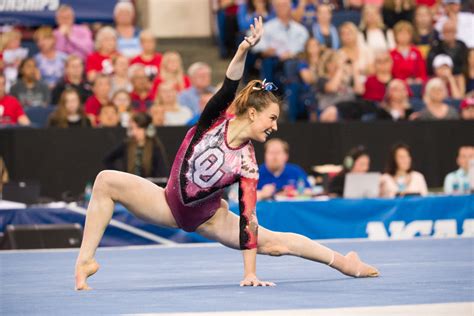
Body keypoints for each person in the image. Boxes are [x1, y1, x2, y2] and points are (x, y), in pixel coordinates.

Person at [75, 17, 378, 291]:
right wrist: (244, 48)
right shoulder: (214, 120)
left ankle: (344, 262)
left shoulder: (247, 162)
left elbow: (249, 220)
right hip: (167, 203)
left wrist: (250, 273)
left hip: (209, 218)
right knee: (105, 181)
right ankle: (85, 262)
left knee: (274, 243)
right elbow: (230, 83)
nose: (274, 127)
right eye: (271, 119)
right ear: (252, 112)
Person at [103, 112, 169, 177]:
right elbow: (107, 159)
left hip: (147, 184)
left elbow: (163, 171)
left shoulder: (154, 146)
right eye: (132, 128)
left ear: (148, 129)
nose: (134, 132)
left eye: (138, 128)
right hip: (130, 184)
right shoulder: (127, 144)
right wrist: (121, 175)